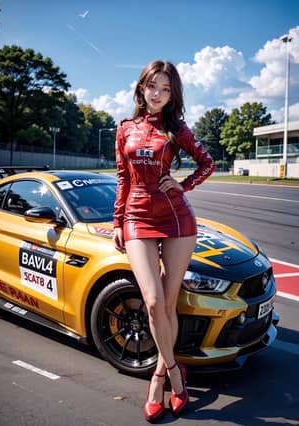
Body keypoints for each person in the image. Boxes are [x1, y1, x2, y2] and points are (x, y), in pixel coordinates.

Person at [113, 60, 215, 422]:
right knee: (153, 302)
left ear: (173, 95)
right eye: (152, 86)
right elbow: (123, 179)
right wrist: (117, 222)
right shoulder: (124, 130)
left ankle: (159, 372)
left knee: (168, 305)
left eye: (166, 89)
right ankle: (173, 371)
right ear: (141, 88)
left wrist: (183, 184)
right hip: (137, 218)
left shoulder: (177, 129)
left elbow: (207, 162)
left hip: (176, 219)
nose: (157, 94)